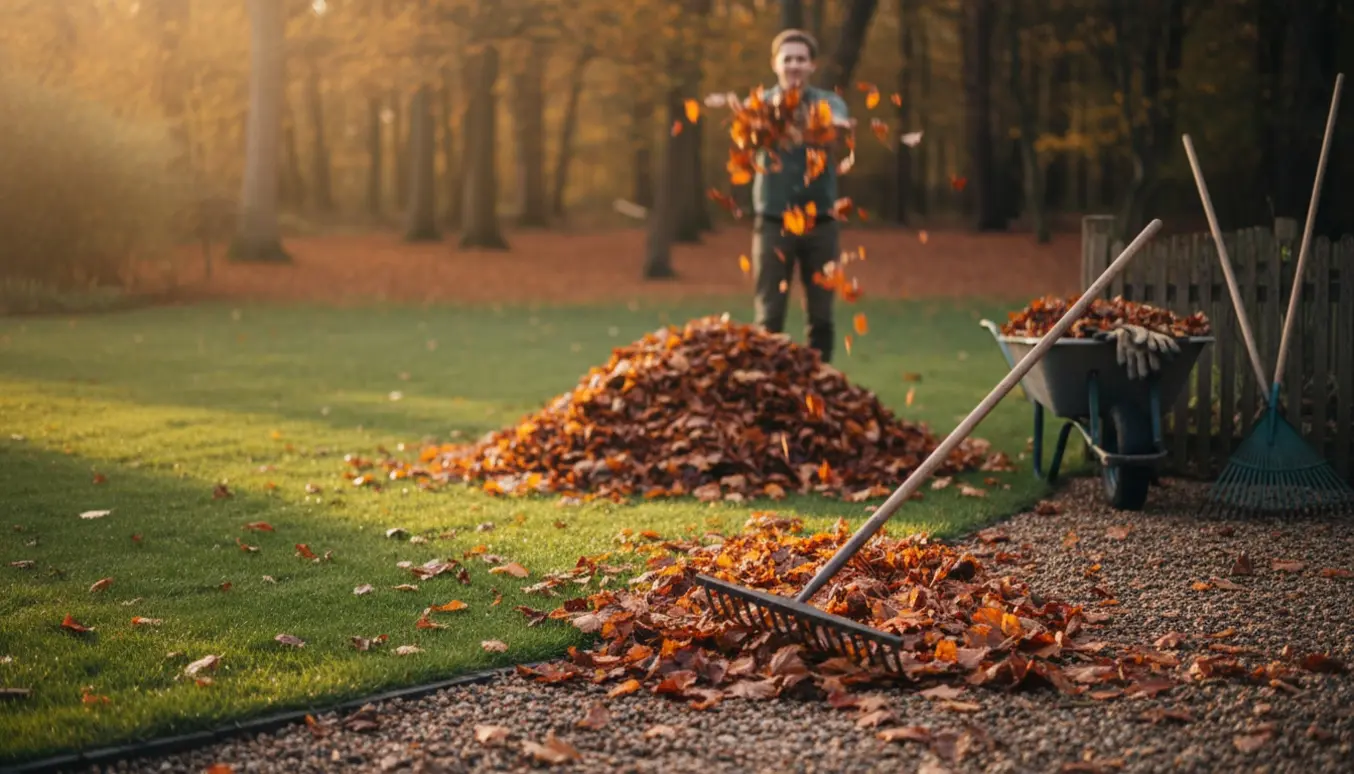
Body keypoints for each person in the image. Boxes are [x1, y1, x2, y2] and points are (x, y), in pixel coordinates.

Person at [750, 29, 852, 363]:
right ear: (775, 64)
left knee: (821, 319)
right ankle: (768, 389)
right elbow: (748, 137)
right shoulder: (762, 104)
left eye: (801, 59)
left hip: (820, 224)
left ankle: (821, 390)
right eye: (788, 58)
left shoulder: (829, 102)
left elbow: (838, 126)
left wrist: (806, 123)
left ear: (811, 65)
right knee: (769, 318)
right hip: (773, 223)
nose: (794, 65)